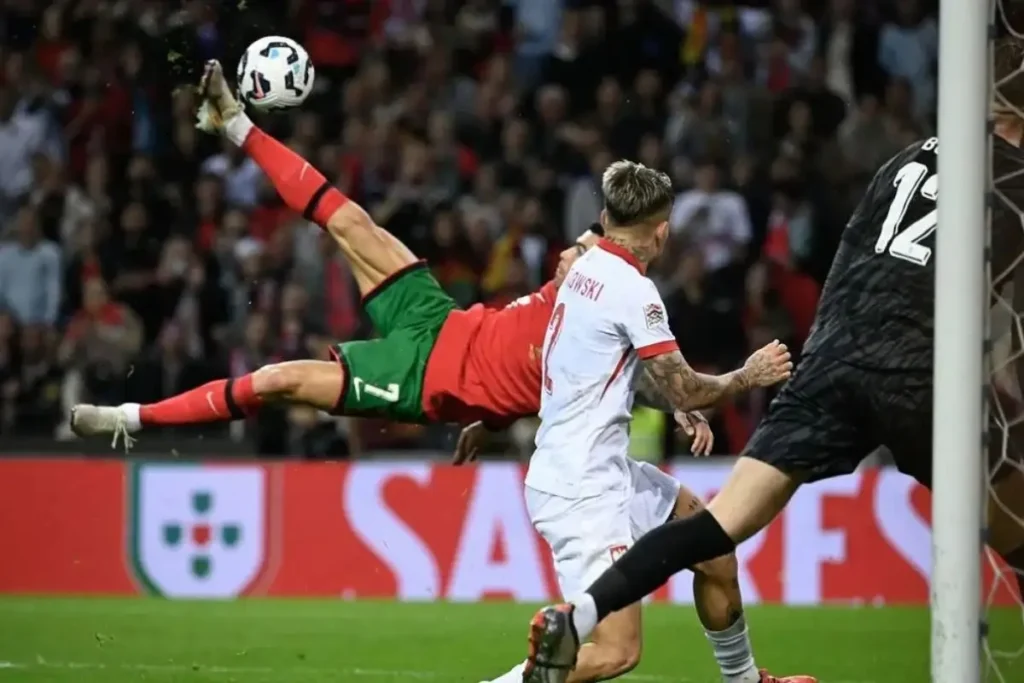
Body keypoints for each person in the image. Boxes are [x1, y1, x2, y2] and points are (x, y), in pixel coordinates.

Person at [69, 61, 799, 683]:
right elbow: (631, 362)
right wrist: (712, 385)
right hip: (443, 337)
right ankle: (231, 130)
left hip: (447, 378)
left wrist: (518, 407)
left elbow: (616, 370)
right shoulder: (604, 276)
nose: (573, 251)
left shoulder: (596, 286)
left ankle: (744, 679)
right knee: (342, 231)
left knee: (281, 378)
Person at [520, 35, 1024, 683]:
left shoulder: (909, 157)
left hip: (834, 359)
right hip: (920, 371)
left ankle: (582, 617)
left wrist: (824, 348)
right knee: (1015, 537)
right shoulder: (1013, 183)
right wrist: (748, 375)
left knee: (717, 528)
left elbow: (852, 249)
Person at [475, 158, 806, 683]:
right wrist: (747, 376)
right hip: (584, 490)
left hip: (596, 470)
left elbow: (622, 371)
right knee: (616, 653)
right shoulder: (633, 290)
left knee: (714, 550)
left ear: (606, 218)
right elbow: (686, 385)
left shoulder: (584, 270)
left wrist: (673, 402)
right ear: (663, 231)